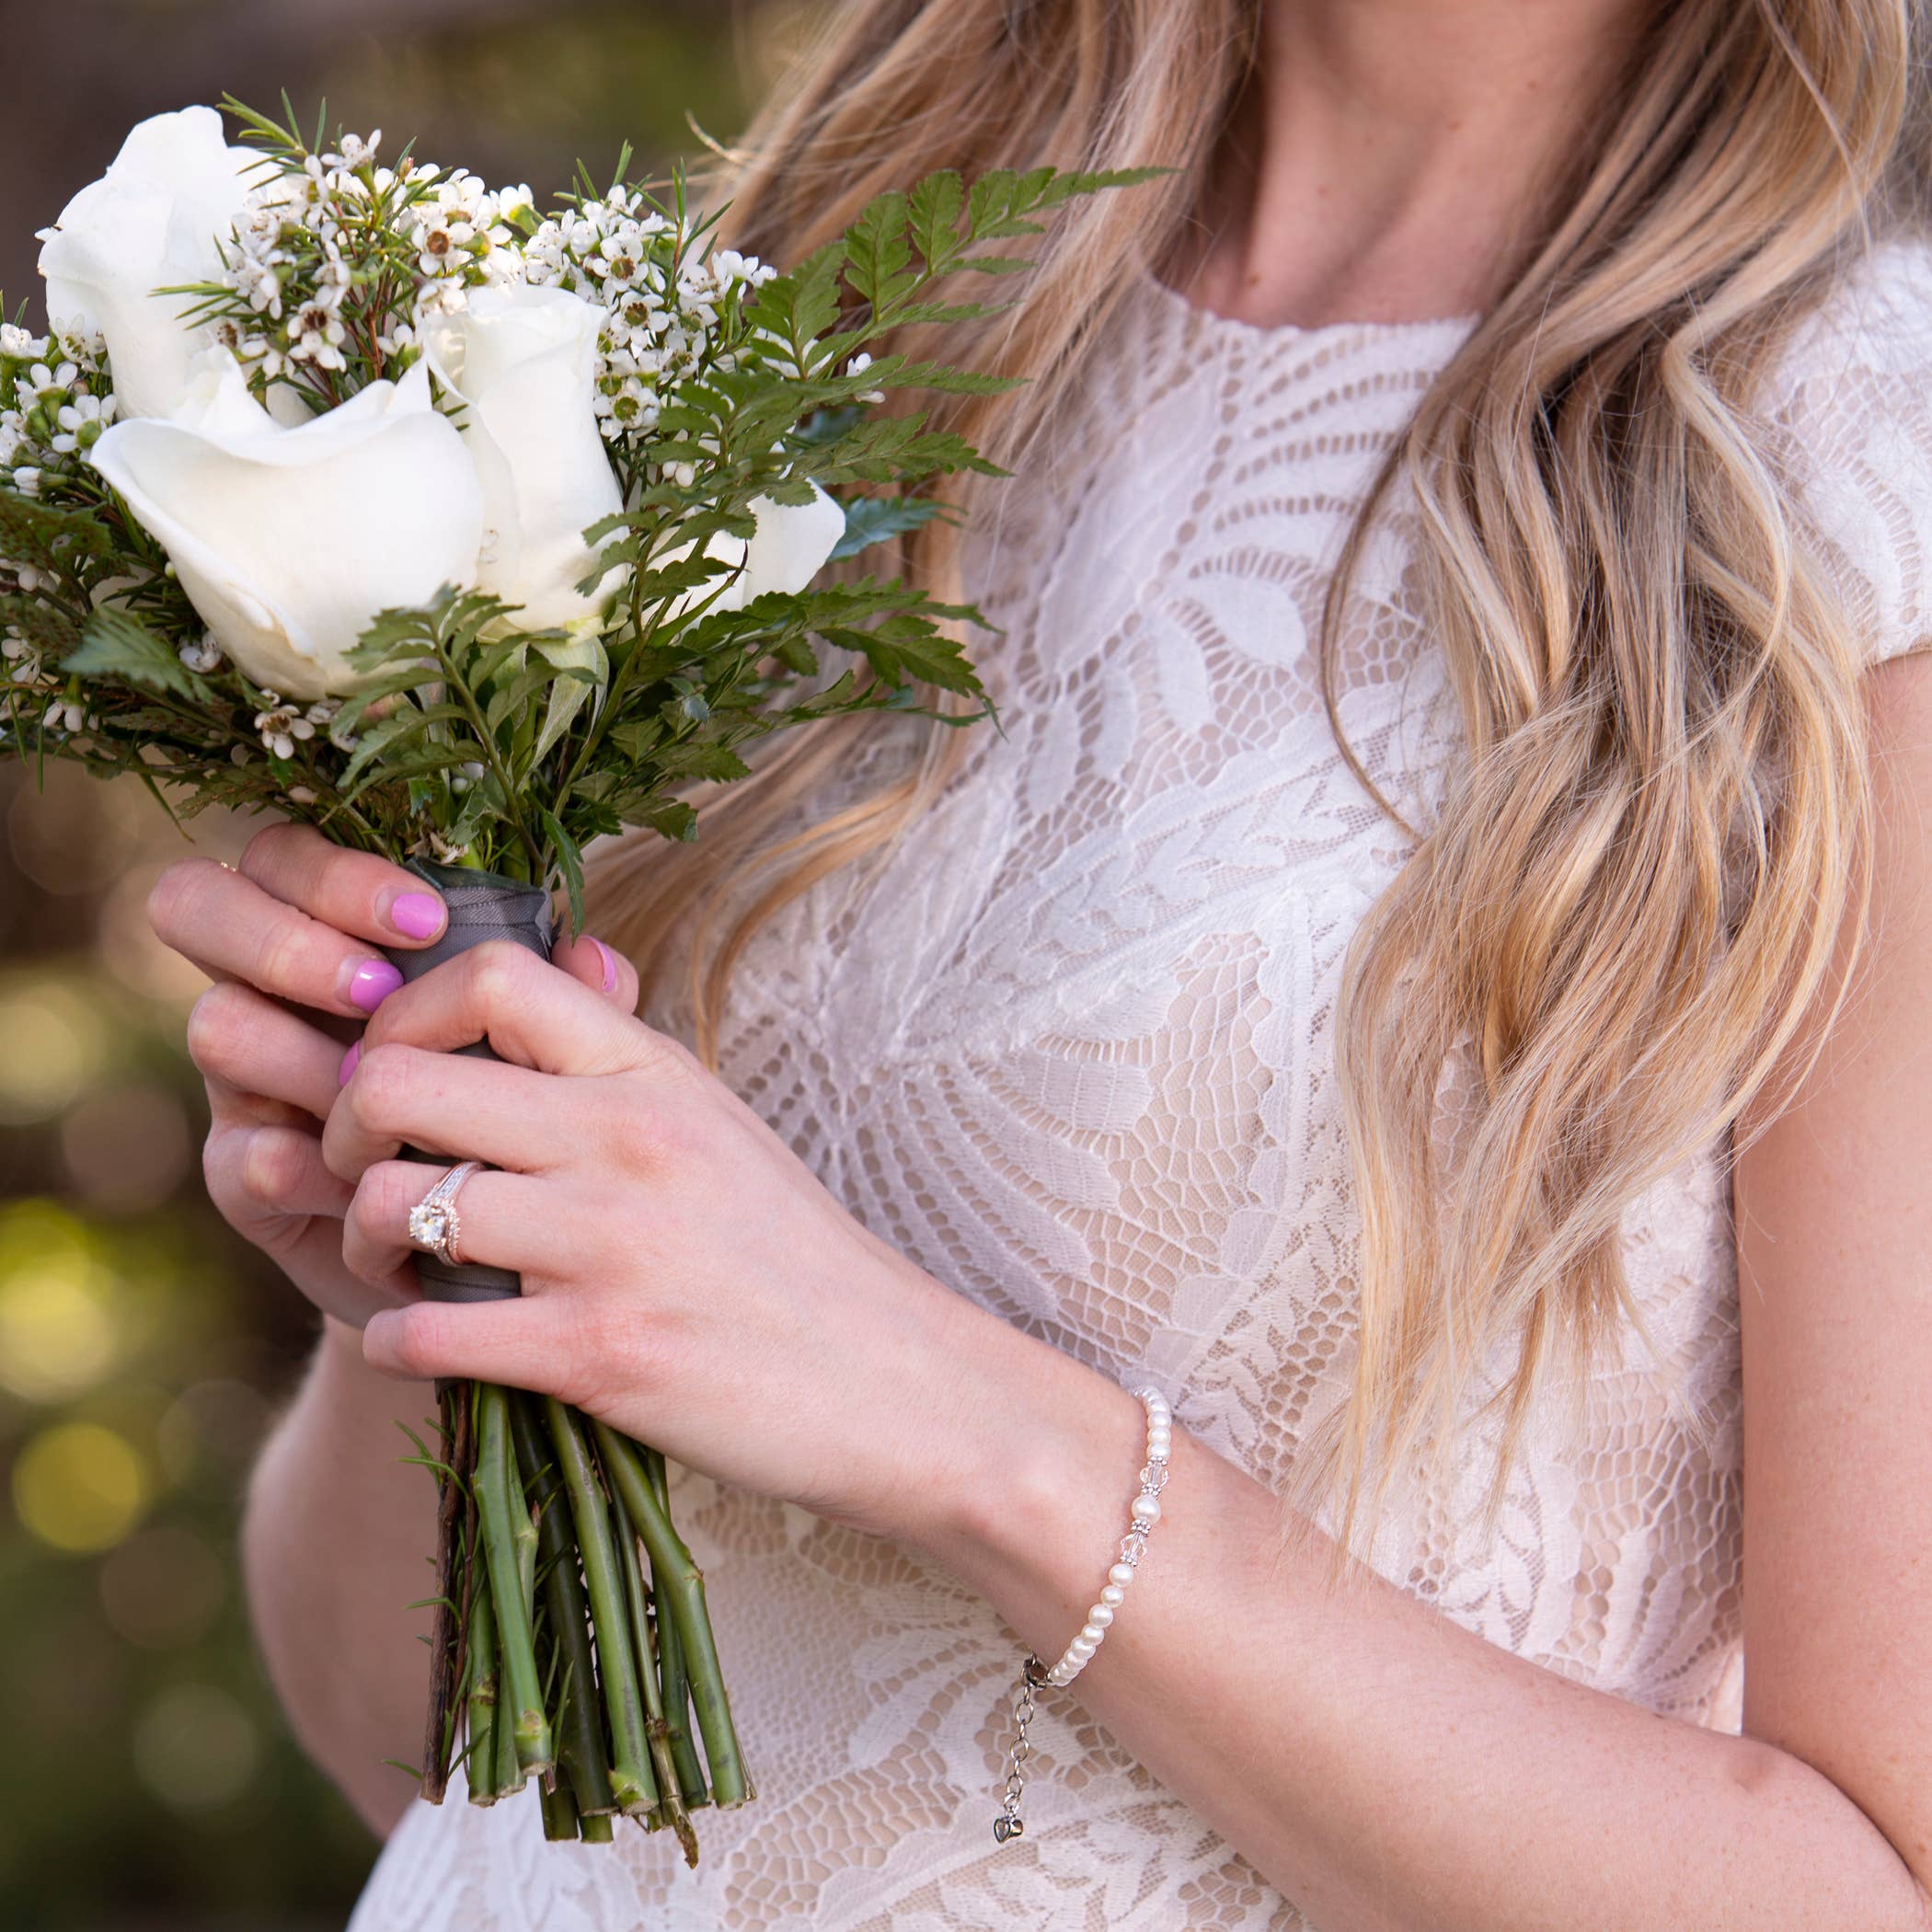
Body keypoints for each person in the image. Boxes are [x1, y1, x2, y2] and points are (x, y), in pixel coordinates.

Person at [148, 2, 1932, 1926]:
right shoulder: (827, 301)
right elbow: (406, 1754)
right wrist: (436, 1278)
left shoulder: (1844, 476)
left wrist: (972, 1435)